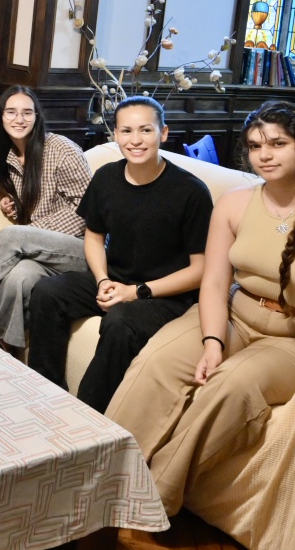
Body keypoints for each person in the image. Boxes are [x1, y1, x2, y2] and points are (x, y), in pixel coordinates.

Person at [107, 100, 295, 514]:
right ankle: (102, 473)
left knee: (231, 382)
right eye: (255, 146)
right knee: (156, 360)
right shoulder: (234, 203)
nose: (264, 155)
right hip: (235, 316)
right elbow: (214, 283)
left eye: (277, 143)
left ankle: (151, 499)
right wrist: (213, 341)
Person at [24, 96, 210, 411]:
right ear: (115, 135)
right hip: (117, 278)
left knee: (120, 322)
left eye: (145, 130)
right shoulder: (106, 177)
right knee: (47, 291)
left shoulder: (191, 191)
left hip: (164, 295)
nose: (135, 140)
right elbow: (94, 237)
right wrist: (102, 280)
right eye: (126, 131)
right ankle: (47, 394)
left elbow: (200, 269)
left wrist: (136, 292)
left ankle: (87, 416)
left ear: (163, 133)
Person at [0, 86, 93, 352]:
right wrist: (12, 204)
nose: (19, 119)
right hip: (45, 253)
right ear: (1, 117)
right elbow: (33, 202)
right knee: (18, 278)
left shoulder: (61, 149)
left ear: (37, 116)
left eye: (27, 113)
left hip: (83, 249)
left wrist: (30, 233)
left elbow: (86, 212)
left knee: (12, 236)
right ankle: (7, 349)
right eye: (11, 112)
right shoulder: (8, 155)